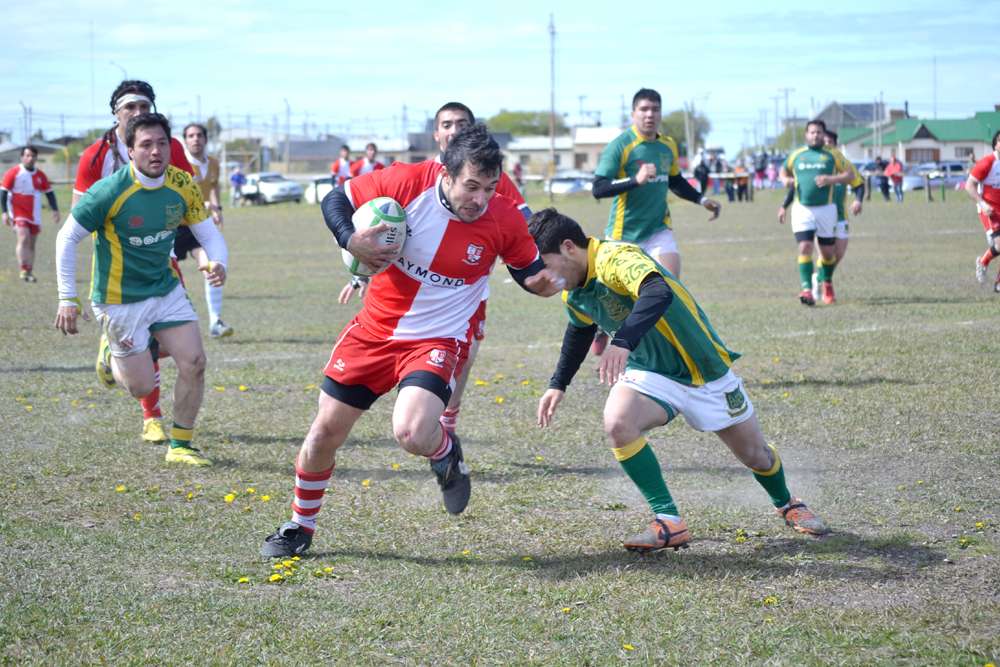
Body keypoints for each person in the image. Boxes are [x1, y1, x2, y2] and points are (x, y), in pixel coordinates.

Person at [260, 124, 563, 557]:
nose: (480, 199)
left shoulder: (504, 217)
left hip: (437, 338)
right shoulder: (405, 181)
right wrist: (352, 240)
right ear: (446, 172)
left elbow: (525, 268)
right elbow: (336, 199)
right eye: (471, 186)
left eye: (490, 188)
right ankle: (299, 526)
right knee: (323, 433)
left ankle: (445, 452)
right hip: (374, 331)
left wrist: (541, 284)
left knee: (412, 431)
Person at [529, 208, 830, 551]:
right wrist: (558, 383)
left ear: (569, 247)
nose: (542, 277)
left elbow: (657, 291)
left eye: (544, 265)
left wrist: (622, 342)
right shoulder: (574, 291)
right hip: (650, 372)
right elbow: (579, 330)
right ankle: (668, 521)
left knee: (755, 455)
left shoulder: (615, 258)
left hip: (703, 370)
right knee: (617, 422)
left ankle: (788, 503)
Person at [338, 101, 531, 442]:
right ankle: (432, 420)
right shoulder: (411, 179)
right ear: (437, 133)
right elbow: (374, 225)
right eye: (447, 124)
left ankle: (448, 422)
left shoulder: (490, 178)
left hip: (465, 292)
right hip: (401, 304)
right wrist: (361, 271)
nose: (454, 130)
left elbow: (524, 222)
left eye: (461, 124)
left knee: (466, 354)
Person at [55, 112, 228, 467]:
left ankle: (180, 445)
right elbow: (66, 238)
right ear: (130, 151)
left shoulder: (181, 182)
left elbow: (207, 232)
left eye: (162, 143)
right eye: (145, 145)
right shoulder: (110, 191)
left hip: (165, 290)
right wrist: (66, 297)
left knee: (194, 362)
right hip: (119, 300)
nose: (155, 151)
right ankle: (109, 355)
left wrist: (218, 261)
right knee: (141, 387)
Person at [73, 79, 195, 444]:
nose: (138, 113)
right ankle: (151, 416)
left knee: (173, 340)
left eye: (145, 106)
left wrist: (202, 246)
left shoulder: (169, 146)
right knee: (147, 342)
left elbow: (186, 198)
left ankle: (115, 348)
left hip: (163, 253)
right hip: (116, 261)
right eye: (130, 107)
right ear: (116, 114)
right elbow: (78, 215)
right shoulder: (95, 156)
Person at [590, 87, 720, 354]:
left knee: (666, 288)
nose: (650, 115)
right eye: (644, 109)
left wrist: (701, 200)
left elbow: (675, 181)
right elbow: (598, 188)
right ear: (633, 113)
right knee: (619, 298)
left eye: (655, 109)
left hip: (659, 230)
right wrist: (634, 180)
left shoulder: (668, 145)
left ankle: (656, 349)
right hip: (623, 234)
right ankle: (604, 327)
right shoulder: (621, 145)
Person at [777, 119, 853, 306]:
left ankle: (826, 282)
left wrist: (831, 179)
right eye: (812, 132)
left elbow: (850, 175)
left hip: (827, 210)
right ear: (806, 135)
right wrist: (786, 181)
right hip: (802, 208)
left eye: (819, 132)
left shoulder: (833, 155)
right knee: (805, 247)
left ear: (823, 135)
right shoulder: (797, 155)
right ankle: (806, 290)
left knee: (827, 254)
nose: (815, 135)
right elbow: (783, 172)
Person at [182, 122, 234, 338]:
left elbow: (213, 187)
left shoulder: (212, 163)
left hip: (197, 225)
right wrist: (202, 205)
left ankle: (215, 321)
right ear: (185, 140)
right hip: (172, 226)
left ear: (205, 139)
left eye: (199, 135)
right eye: (191, 136)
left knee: (212, 263)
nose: (195, 139)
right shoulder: (180, 163)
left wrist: (217, 208)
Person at [1, 146, 59, 282]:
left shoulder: (40, 175)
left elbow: (49, 193)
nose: (30, 158)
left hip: (34, 214)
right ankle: (23, 268)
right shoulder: (14, 172)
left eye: (32, 156)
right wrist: (4, 212)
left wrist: (55, 210)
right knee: (23, 237)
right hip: (18, 212)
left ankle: (29, 271)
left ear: (36, 158)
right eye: (27, 155)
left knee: (32, 243)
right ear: (22, 157)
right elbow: (3, 192)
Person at [967, 130, 1000, 291]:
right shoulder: (987, 163)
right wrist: (983, 204)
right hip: (990, 210)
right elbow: (969, 185)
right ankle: (983, 262)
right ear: (996, 144)